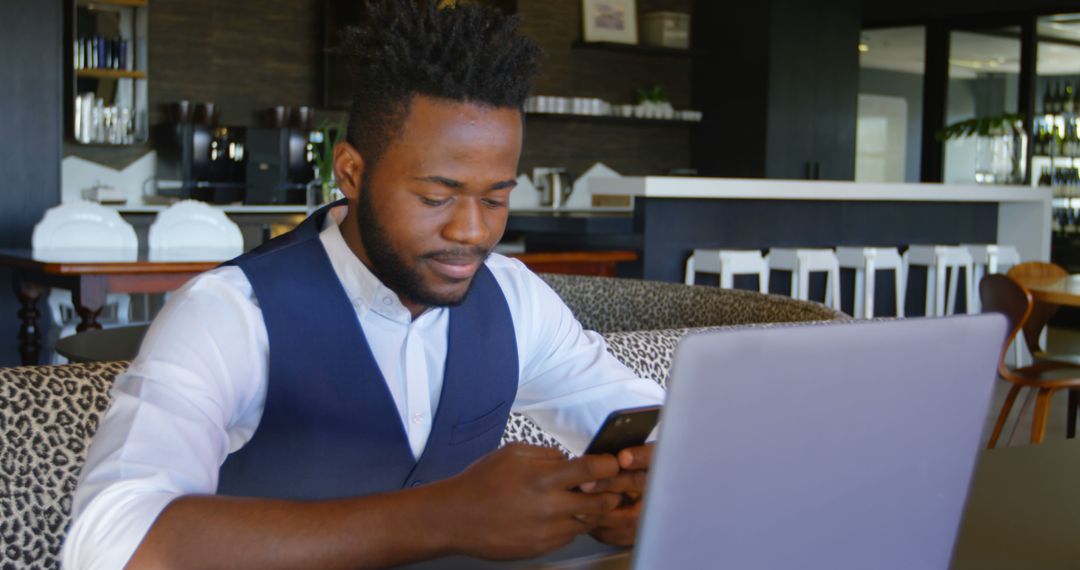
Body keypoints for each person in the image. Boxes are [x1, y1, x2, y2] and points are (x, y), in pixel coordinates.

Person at [62, 1, 665, 568]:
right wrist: (442, 517)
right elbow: (110, 542)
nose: (472, 231)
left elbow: (650, 420)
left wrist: (644, 490)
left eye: (496, 197)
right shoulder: (230, 314)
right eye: (436, 196)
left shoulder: (514, 296)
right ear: (350, 171)